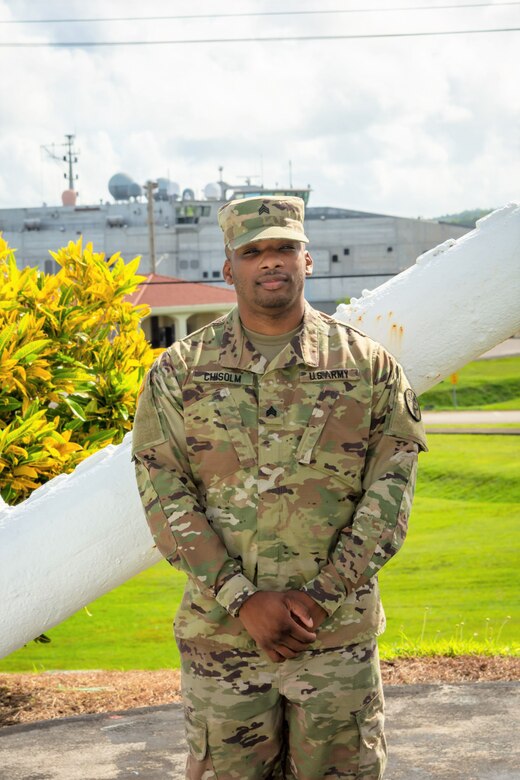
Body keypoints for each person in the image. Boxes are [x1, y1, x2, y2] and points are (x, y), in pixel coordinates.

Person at [132, 195, 427, 779]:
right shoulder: (180, 372)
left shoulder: (368, 369)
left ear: (307, 260)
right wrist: (242, 597)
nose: (271, 262)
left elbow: (389, 495)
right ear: (229, 267)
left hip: (334, 639)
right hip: (223, 641)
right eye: (254, 251)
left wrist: (320, 597)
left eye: (284, 248)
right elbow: (163, 489)